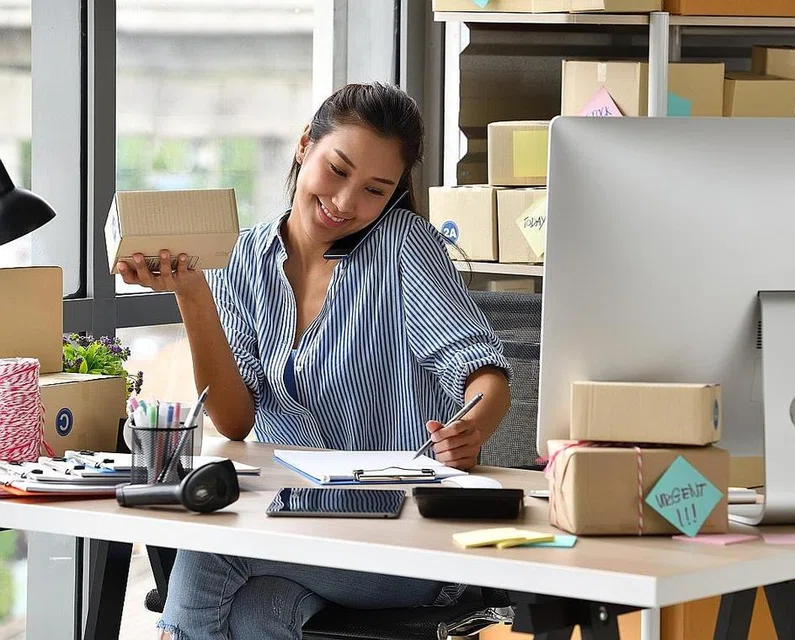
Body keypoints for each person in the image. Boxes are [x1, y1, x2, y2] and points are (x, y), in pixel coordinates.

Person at [118, 82, 512, 640]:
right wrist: (192, 293)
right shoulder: (246, 257)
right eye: (338, 170)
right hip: (295, 523)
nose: (348, 202)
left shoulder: (404, 247)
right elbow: (234, 420)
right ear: (306, 145)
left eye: (376, 190)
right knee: (261, 610)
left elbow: (483, 373)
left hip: (403, 537)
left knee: (212, 552)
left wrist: (473, 426)